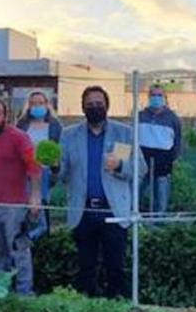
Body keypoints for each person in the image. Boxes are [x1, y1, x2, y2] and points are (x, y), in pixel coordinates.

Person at [58, 86, 144, 299]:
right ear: (83, 108)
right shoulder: (69, 135)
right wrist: (53, 167)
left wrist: (120, 165)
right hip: (83, 211)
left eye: (99, 103)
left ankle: (116, 308)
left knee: (115, 267)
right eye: (90, 104)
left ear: (107, 106)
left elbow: (140, 168)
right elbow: (61, 173)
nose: (94, 107)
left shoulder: (122, 133)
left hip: (113, 211)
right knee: (85, 268)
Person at [0, 99, 42, 294]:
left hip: (14, 206)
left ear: (6, 116)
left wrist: (35, 197)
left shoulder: (20, 138)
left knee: (19, 251)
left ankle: (24, 294)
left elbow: (34, 168)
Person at [16, 90, 63, 240]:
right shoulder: (22, 125)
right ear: (28, 106)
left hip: (45, 174)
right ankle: (25, 238)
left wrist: (55, 167)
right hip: (25, 174)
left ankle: (38, 237)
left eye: (41, 103)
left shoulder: (55, 126)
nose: (37, 106)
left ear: (47, 105)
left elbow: (59, 150)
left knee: (42, 208)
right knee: (26, 210)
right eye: (33, 103)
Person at [138, 84, 183, 214]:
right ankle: (136, 224)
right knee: (136, 194)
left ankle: (160, 225)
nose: (156, 98)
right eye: (153, 95)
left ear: (165, 98)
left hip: (164, 161)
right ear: (148, 97)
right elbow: (129, 138)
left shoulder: (173, 118)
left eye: (159, 95)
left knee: (161, 197)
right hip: (142, 161)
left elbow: (178, 141)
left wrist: (175, 158)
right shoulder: (140, 116)